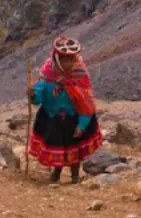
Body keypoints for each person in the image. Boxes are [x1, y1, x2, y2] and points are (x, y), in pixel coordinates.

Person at [28, 35, 104, 183]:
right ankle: (56, 173)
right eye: (65, 60)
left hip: (73, 118)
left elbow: (86, 102)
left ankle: (75, 175)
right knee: (58, 146)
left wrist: (82, 125)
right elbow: (39, 98)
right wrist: (32, 95)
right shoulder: (47, 75)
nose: (69, 63)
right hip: (52, 118)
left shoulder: (80, 75)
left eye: (71, 59)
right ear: (57, 59)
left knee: (74, 147)